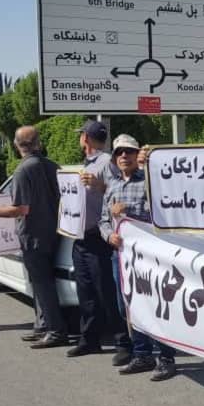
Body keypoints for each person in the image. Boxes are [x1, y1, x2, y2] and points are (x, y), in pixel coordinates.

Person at [0, 126, 65, 348]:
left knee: (42, 285)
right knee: (41, 284)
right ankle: (43, 326)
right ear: (39, 142)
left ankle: (55, 331)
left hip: (33, 236)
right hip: (53, 233)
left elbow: (20, 209)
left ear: (16, 145)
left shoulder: (23, 170)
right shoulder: (53, 166)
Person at [100, 134, 177, 382]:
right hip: (120, 256)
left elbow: (164, 210)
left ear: (136, 155)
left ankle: (166, 357)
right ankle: (141, 354)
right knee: (129, 306)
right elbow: (102, 219)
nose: (124, 156)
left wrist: (129, 211)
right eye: (119, 152)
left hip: (149, 255)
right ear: (114, 158)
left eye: (129, 152)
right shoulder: (111, 185)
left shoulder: (149, 182)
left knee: (157, 305)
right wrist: (109, 234)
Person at [65, 120, 129, 361]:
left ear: (86, 138)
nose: (80, 139)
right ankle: (89, 339)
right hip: (80, 236)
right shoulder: (89, 163)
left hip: (98, 237)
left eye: (81, 135)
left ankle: (123, 342)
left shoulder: (106, 162)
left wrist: (97, 184)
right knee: (86, 291)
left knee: (106, 292)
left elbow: (116, 190)